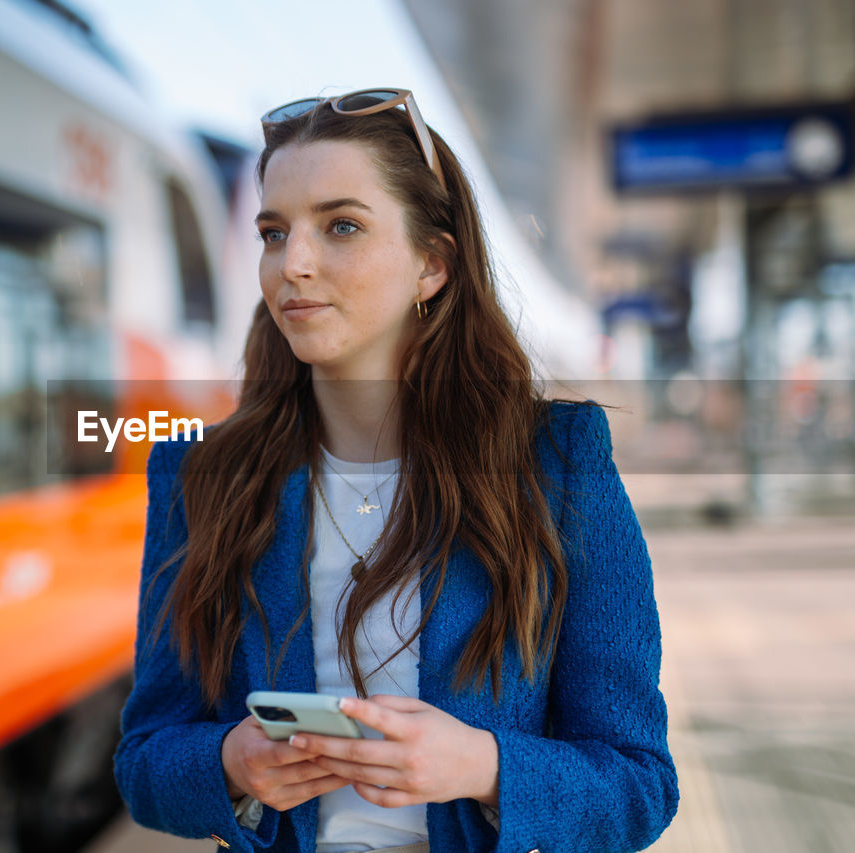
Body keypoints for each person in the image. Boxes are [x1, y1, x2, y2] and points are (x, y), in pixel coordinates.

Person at [114, 88, 678, 853]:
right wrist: (229, 763)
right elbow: (144, 760)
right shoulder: (202, 477)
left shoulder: (557, 462)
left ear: (432, 265)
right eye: (274, 233)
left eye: (340, 225)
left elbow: (640, 784)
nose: (293, 264)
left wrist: (482, 765)